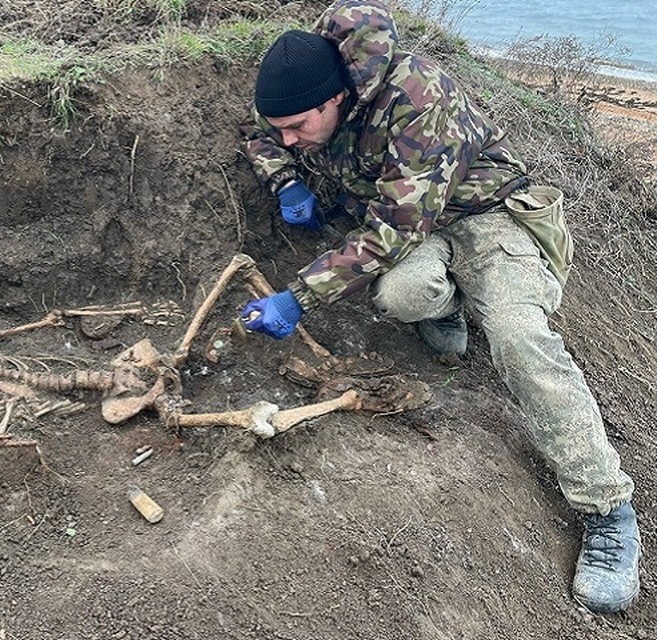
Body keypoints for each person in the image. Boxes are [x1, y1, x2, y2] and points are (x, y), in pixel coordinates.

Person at [238, 0, 640, 614]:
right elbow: (261, 132)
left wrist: (299, 297)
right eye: (285, 130)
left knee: (515, 335)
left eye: (297, 129)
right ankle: (443, 304)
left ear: (335, 102)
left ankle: (608, 509)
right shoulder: (309, 87)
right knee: (403, 295)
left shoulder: (421, 99)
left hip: (489, 214)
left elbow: (394, 227)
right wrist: (285, 178)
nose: (289, 139)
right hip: (423, 224)